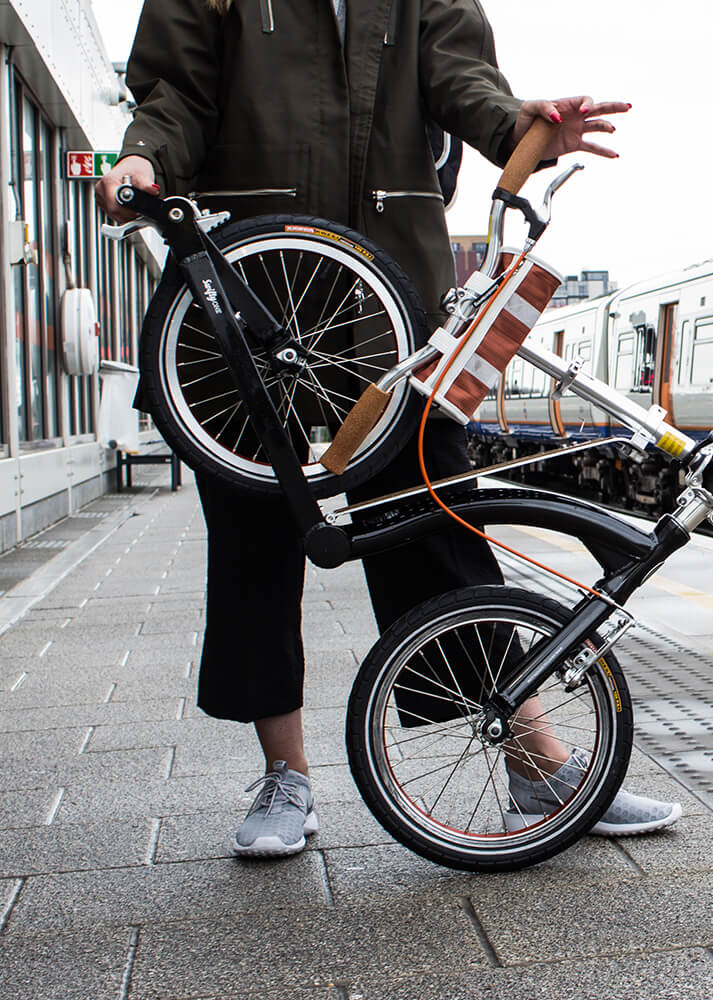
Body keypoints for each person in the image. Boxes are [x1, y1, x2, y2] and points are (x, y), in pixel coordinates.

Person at [96, 0, 681, 857]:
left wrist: (521, 128)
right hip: (250, 288)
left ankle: (536, 765)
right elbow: (175, 93)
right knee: (254, 540)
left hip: (390, 299)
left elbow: (462, 78)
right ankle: (284, 776)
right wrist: (143, 158)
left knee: (439, 525)